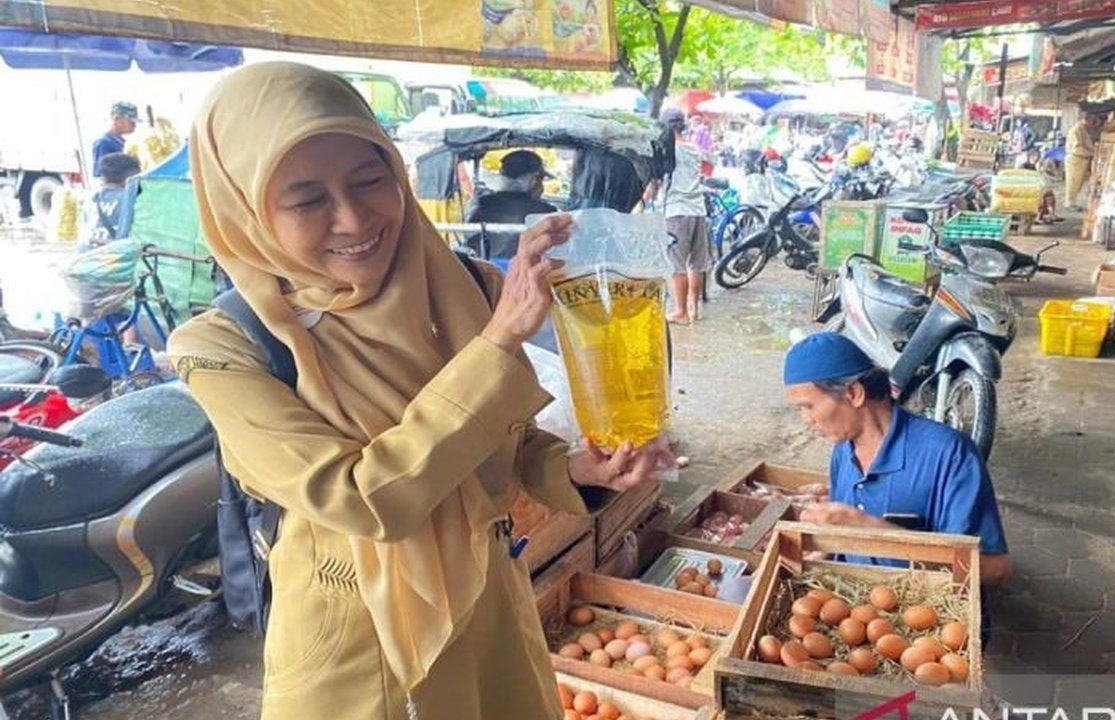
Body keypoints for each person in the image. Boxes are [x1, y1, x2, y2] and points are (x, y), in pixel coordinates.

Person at [166, 63, 666, 720]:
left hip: (489, 608)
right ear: (245, 210)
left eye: (371, 180)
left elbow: (504, 445)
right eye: (307, 200)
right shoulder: (226, 347)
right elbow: (364, 500)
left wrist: (577, 469)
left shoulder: (467, 287)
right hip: (353, 642)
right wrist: (496, 346)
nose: (353, 218)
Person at [782, 333, 1012, 588]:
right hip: (860, 606)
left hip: (929, 608)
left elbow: (995, 568)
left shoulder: (948, 454)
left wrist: (875, 531)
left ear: (855, 393)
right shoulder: (843, 452)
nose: (806, 420)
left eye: (808, 407)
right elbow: (845, 539)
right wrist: (824, 550)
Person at [658, 109, 711, 325]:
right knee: (696, 263)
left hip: (676, 212)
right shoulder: (693, 149)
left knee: (676, 264)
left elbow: (658, 180)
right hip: (698, 210)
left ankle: (680, 311)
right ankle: (693, 308)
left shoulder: (668, 151)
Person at [464, 149, 557, 262]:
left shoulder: (481, 204)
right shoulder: (545, 212)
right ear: (533, 179)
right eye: (541, 179)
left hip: (479, 269)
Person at [83, 152, 142, 249]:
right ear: (132, 176)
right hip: (110, 259)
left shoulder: (91, 198)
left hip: (83, 257)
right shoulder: (131, 199)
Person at [1065, 113, 1103, 210]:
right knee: (1073, 181)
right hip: (1076, 158)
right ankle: (1069, 202)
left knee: (1078, 182)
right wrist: (1093, 152)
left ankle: (1072, 201)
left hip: (1083, 159)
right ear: (1087, 119)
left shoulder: (1083, 129)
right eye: (1092, 121)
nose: (1093, 123)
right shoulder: (1076, 129)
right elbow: (1078, 146)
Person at [91, 102, 138, 178]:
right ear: (117, 119)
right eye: (131, 121)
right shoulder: (104, 143)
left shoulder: (122, 142)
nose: (134, 125)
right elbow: (101, 176)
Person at [1021, 148, 1060, 224]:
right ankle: (1041, 216)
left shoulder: (1033, 166)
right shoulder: (1024, 166)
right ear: (1030, 157)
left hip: (1032, 187)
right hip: (1026, 188)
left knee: (1049, 193)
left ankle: (1050, 214)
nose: (1036, 158)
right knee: (1045, 195)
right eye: (1035, 156)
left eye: (1037, 156)